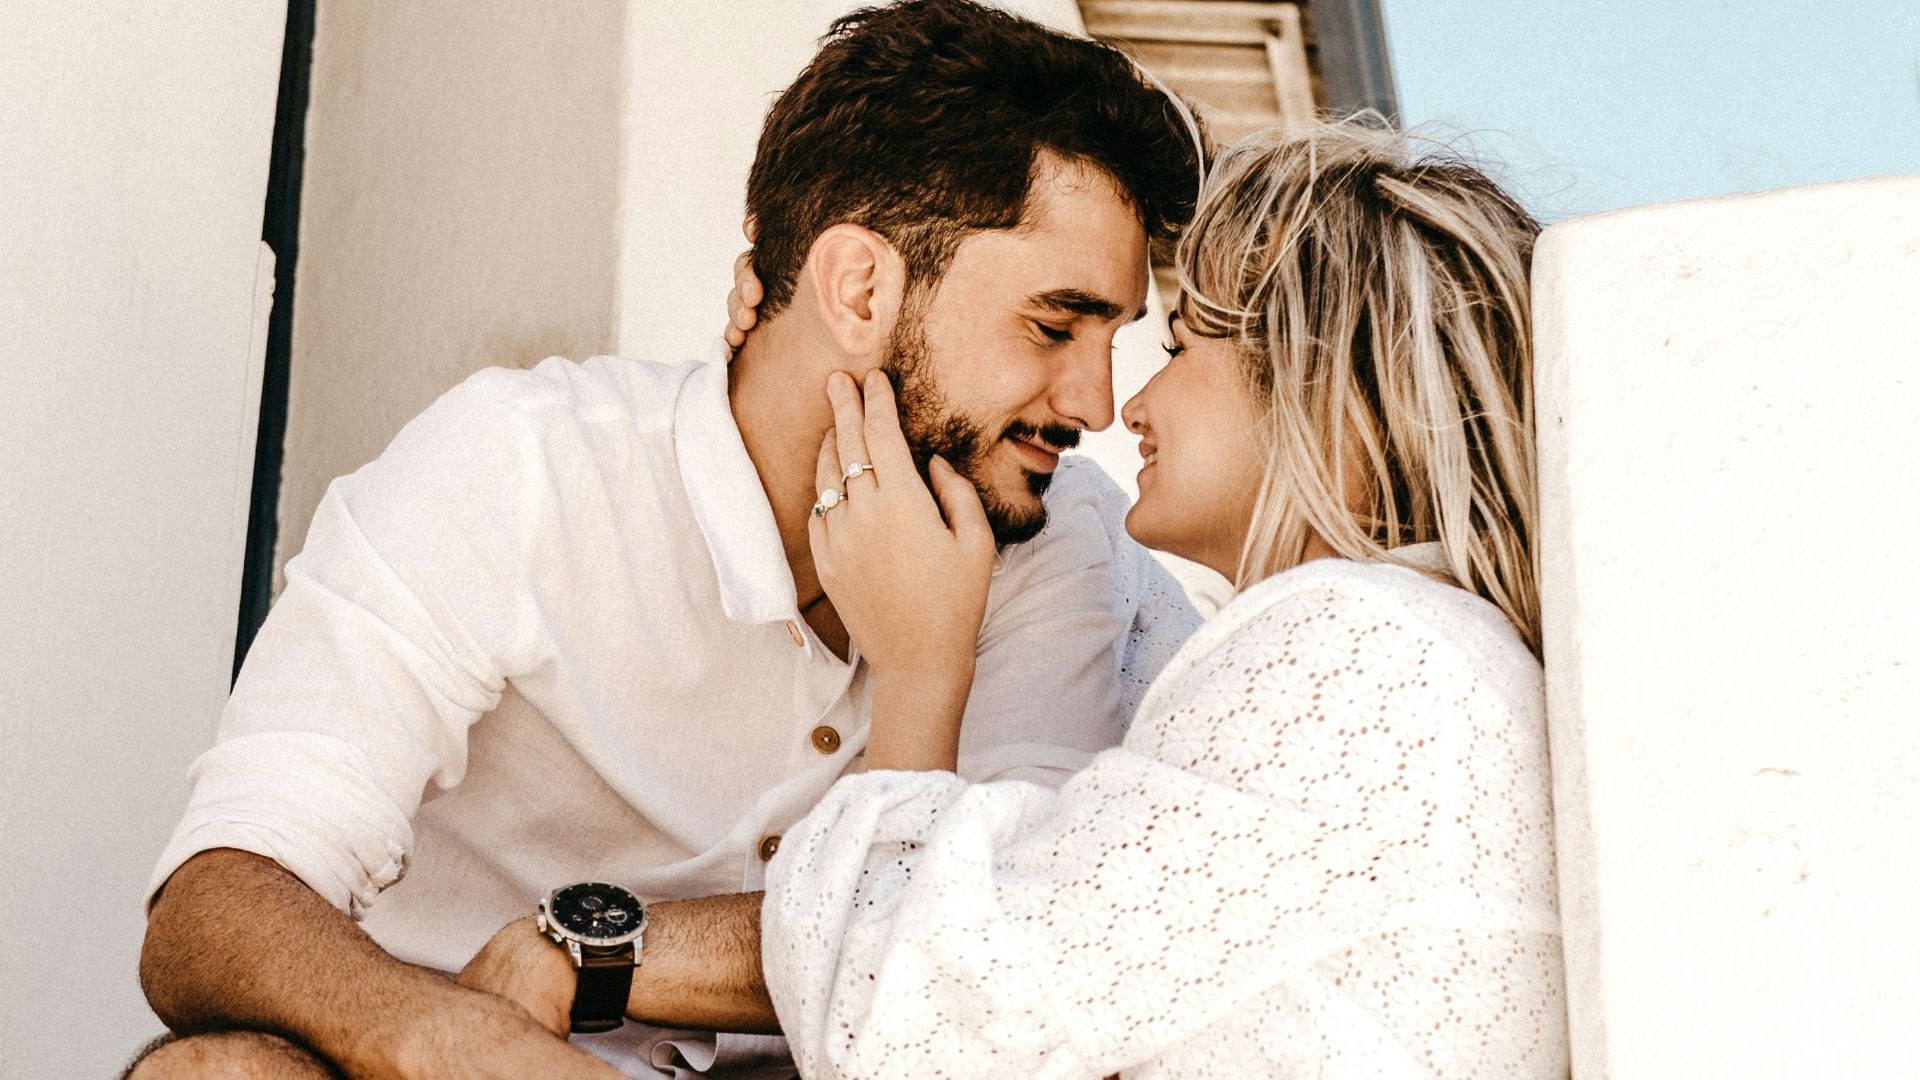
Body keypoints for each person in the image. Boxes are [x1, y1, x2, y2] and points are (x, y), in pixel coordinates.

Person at [127, 3, 1201, 1078]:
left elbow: (994, 945)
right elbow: (220, 893)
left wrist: (593, 947)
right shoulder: (526, 466)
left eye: (1114, 340)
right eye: (1056, 327)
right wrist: (447, 1039)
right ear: (862, 288)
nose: (1096, 404)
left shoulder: (1056, 544)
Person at [463, 118, 1569, 1077]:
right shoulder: (1418, 666)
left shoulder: (1354, 652)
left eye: (1184, 345)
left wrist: (918, 667)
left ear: (1332, 393)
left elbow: (920, 1027)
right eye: (1060, 331)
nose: (1121, 402)